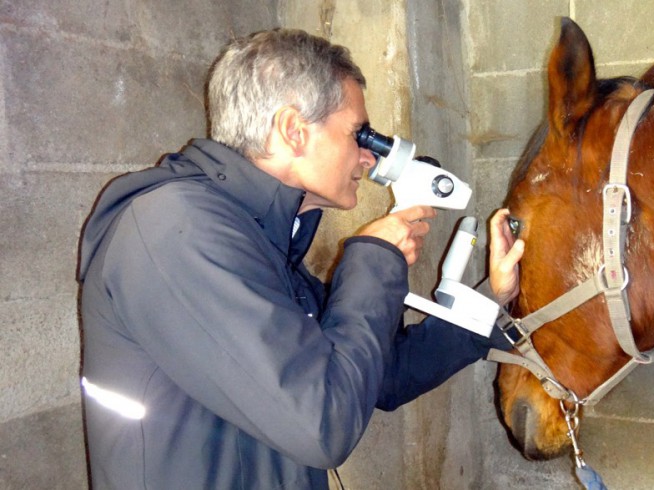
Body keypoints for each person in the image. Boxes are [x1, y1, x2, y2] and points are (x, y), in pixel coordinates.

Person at [77, 28, 525, 489]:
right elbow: (322, 425)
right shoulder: (175, 229)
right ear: (293, 130)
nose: (369, 160)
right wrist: (372, 259)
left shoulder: (260, 241)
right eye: (359, 134)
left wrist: (493, 296)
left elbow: (380, 375)